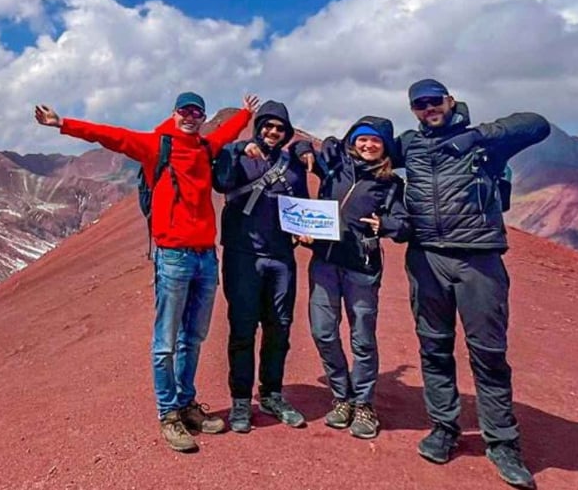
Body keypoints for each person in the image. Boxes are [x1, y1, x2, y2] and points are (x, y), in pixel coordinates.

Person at [34, 91, 254, 452]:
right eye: (185, 110)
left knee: (194, 338)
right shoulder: (156, 145)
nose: (191, 116)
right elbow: (111, 135)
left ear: (203, 117)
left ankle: (186, 406)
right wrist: (63, 123)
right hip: (173, 257)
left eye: (197, 112)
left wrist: (245, 113)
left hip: (204, 257)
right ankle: (168, 414)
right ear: (174, 113)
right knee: (165, 341)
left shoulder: (204, 147)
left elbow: (226, 134)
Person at [387, 78, 549, 490]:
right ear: (413, 110)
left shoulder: (485, 143)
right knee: (434, 348)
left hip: (479, 260)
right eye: (420, 104)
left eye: (434, 101)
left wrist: (476, 135)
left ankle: (503, 443)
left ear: (450, 101)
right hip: (425, 259)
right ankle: (444, 428)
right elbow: (364, 148)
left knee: (489, 354)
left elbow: (537, 124)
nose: (428, 109)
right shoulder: (410, 145)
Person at [291, 117, 405, 440]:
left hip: (362, 268)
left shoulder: (392, 183)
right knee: (323, 332)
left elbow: (403, 223)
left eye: (375, 141)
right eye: (362, 139)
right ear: (352, 141)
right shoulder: (334, 167)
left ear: (385, 147)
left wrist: (384, 225)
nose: (368, 145)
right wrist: (303, 151)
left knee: (362, 339)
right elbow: (300, 146)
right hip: (325, 264)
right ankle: (342, 396)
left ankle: (364, 404)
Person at [211, 100, 309, 434]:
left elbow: (303, 206)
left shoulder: (293, 165)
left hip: (281, 257)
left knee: (279, 327)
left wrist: (306, 230)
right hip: (243, 255)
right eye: (267, 126)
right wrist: (237, 148)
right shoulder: (239, 155)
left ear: (286, 133)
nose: (273, 132)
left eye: (280, 128)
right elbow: (220, 181)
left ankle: (272, 394)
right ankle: (241, 399)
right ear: (258, 127)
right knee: (242, 328)